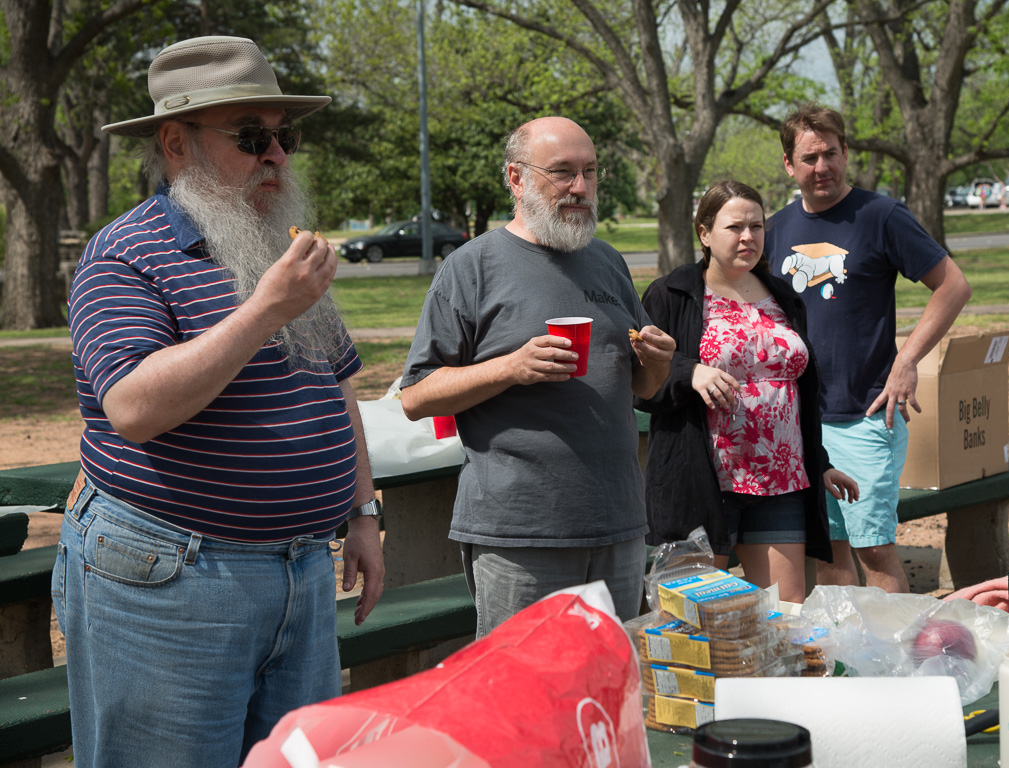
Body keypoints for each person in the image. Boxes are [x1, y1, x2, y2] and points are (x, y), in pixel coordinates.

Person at [56, 36, 385, 767]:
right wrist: (265, 310)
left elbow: (337, 385)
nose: (276, 155)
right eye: (250, 136)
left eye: (284, 135)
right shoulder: (125, 253)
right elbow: (134, 409)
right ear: (176, 142)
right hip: (172, 581)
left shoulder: (280, 247)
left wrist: (362, 512)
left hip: (301, 571)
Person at [400, 116, 675, 636]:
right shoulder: (471, 267)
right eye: (562, 172)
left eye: (590, 172)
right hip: (520, 535)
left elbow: (641, 389)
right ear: (516, 178)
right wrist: (510, 367)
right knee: (520, 698)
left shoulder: (608, 262)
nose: (580, 188)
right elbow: (416, 396)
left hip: (619, 524)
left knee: (609, 693)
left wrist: (658, 362)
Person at [765, 103, 971, 593]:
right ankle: (849, 658)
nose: (823, 167)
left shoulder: (881, 216)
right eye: (810, 158)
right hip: (800, 418)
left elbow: (953, 286)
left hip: (864, 413)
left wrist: (906, 362)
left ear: (846, 153)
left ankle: (895, 662)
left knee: (872, 546)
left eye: (831, 154)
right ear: (789, 165)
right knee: (830, 546)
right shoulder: (774, 229)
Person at [636, 181, 858, 602]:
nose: (748, 237)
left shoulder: (784, 297)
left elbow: (798, 394)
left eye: (757, 227)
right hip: (703, 483)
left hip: (782, 481)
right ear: (704, 233)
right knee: (692, 622)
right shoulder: (673, 294)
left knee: (784, 618)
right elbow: (641, 383)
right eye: (734, 226)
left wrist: (821, 462)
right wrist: (689, 372)